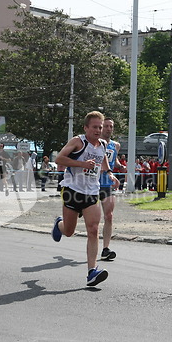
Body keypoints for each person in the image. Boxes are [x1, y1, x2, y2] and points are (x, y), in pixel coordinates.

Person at [51, 111, 119, 286]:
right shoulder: (78, 141)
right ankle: (59, 225)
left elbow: (102, 159)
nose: (98, 130)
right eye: (95, 127)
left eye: (100, 127)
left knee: (93, 229)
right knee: (69, 231)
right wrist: (82, 164)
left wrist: (110, 174)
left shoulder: (103, 144)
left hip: (91, 192)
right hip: (72, 190)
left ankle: (92, 271)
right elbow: (59, 159)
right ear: (86, 127)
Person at [98, 117, 122, 261]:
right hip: (91, 184)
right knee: (85, 217)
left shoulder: (115, 145)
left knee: (109, 216)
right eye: (106, 126)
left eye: (110, 126)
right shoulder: (94, 143)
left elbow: (114, 160)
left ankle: (105, 249)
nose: (108, 129)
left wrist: (119, 165)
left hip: (107, 184)